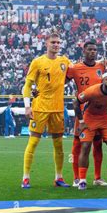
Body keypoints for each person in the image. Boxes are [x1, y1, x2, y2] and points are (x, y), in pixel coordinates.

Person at [21, 32, 71, 189]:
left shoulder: (65, 61)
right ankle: (26, 177)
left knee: (59, 144)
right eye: (53, 42)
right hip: (40, 107)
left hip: (57, 109)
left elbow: (80, 70)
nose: (56, 45)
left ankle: (59, 177)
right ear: (46, 44)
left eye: (58, 42)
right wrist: (27, 106)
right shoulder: (37, 62)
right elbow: (27, 86)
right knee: (34, 141)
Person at [73, 71, 107, 190]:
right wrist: (81, 122)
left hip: (105, 119)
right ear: (102, 81)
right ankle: (82, 181)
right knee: (85, 147)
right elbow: (75, 102)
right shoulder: (92, 91)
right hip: (89, 119)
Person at [66, 41, 107, 187]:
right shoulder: (75, 68)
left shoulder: (102, 66)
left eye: (95, 50)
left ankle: (97, 177)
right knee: (78, 143)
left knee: (98, 144)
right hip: (82, 111)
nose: (92, 52)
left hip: (99, 111)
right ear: (83, 50)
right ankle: (76, 177)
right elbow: (61, 82)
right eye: (90, 49)